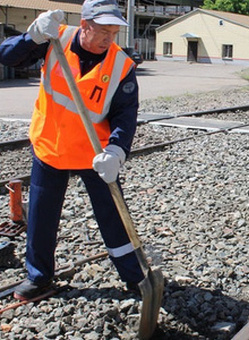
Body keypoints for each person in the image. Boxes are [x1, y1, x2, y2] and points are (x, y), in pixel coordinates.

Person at [0, 0, 145, 300]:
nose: (109, 38)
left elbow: (125, 115)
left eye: (114, 32)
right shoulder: (54, 39)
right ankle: (39, 278)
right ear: (85, 25)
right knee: (41, 216)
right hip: (49, 148)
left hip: (94, 155)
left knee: (113, 217)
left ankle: (136, 279)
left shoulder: (121, 67)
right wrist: (32, 37)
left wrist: (117, 151)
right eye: (103, 31)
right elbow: (7, 57)